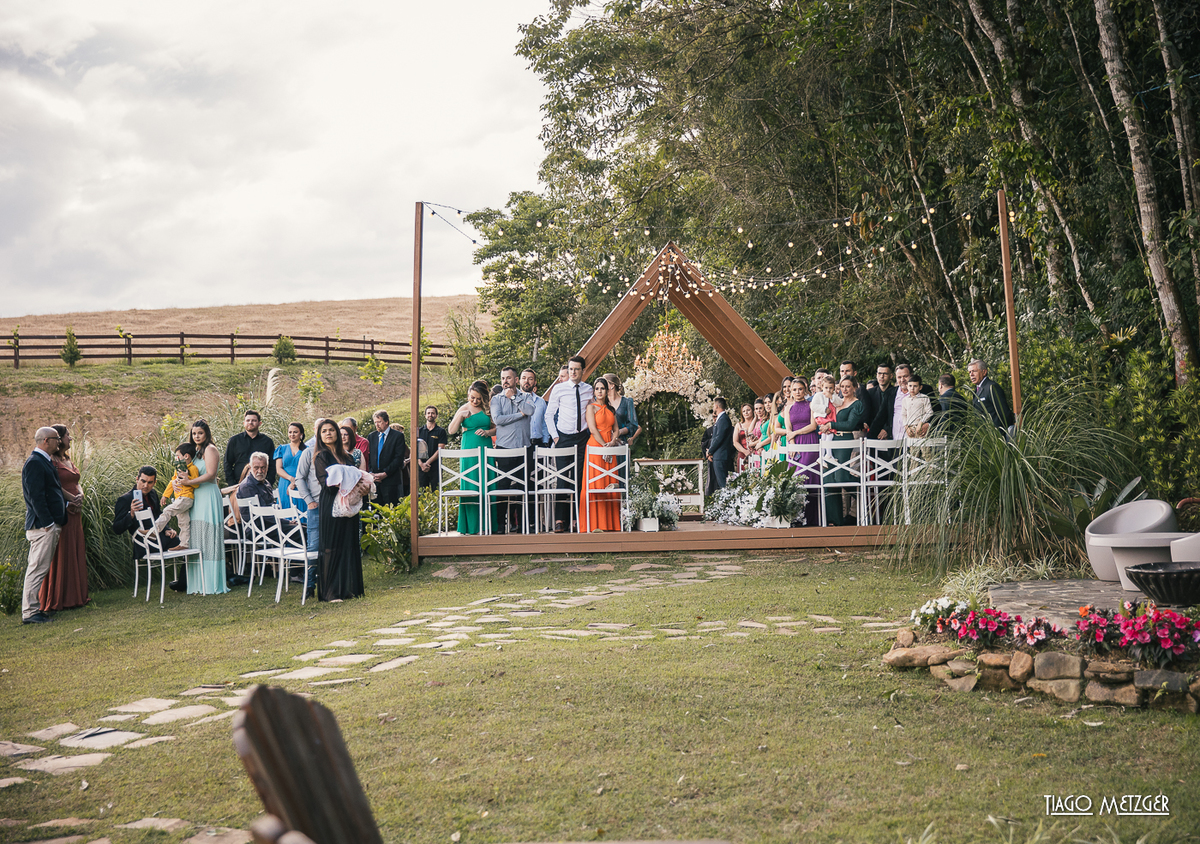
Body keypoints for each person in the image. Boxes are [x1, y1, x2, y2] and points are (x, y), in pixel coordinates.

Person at [314, 419, 366, 602]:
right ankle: (330, 592)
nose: (328, 433)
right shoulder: (322, 457)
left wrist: (361, 486)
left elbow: (357, 478)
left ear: (337, 432)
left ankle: (348, 588)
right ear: (320, 436)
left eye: (331, 430)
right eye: (324, 431)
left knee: (348, 545)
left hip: (350, 504)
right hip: (331, 504)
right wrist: (347, 482)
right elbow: (326, 484)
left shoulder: (348, 457)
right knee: (331, 546)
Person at [22, 427, 69, 622]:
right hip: (42, 527)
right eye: (56, 439)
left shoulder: (44, 461)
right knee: (37, 568)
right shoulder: (35, 462)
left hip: (47, 525)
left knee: (39, 567)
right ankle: (30, 613)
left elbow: (51, 492)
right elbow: (36, 497)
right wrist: (49, 523)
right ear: (46, 440)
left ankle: (34, 609)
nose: (59, 442)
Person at [179, 420, 230, 594]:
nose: (197, 436)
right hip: (195, 497)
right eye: (194, 433)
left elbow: (211, 475)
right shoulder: (193, 453)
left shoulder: (210, 450)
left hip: (208, 496)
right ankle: (197, 584)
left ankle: (211, 582)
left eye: (200, 433)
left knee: (208, 536)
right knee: (196, 536)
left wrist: (189, 481)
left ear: (206, 433)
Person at [113, 466, 183, 590]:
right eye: (143, 481)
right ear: (137, 479)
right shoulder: (125, 499)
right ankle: (184, 582)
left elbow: (158, 515)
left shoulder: (153, 494)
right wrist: (131, 514)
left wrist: (167, 529)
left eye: (150, 482)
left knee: (184, 541)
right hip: (143, 543)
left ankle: (184, 581)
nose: (146, 486)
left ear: (154, 482)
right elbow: (117, 528)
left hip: (159, 537)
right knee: (181, 541)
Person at [545, 355, 593, 532]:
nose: (573, 372)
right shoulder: (559, 389)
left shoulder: (589, 390)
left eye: (576, 369)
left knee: (580, 478)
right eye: (571, 369)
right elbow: (549, 415)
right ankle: (559, 520)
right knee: (562, 478)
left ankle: (577, 519)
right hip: (563, 437)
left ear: (583, 371)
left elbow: (593, 411)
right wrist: (555, 437)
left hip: (582, 438)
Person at [490, 367, 534, 533]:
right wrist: (519, 415)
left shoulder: (526, 397)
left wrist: (515, 398)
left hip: (524, 449)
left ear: (516, 380)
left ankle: (522, 524)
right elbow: (498, 420)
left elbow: (530, 411)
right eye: (503, 378)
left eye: (508, 378)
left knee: (523, 487)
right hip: (505, 450)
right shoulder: (496, 400)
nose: (505, 381)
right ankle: (501, 525)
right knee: (503, 486)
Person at [448, 382, 495, 535]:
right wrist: (460, 416)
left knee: (487, 483)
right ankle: (472, 526)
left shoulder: (488, 409)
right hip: (469, 450)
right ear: (468, 395)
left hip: (486, 448)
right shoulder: (463, 408)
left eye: (479, 399)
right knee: (471, 485)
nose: (475, 401)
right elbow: (451, 430)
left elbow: (496, 427)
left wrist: (488, 433)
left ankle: (488, 525)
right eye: (473, 398)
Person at [820, 378, 865, 526]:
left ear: (854, 388)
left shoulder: (857, 404)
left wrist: (831, 424)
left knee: (840, 477)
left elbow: (850, 424)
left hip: (844, 440)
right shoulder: (835, 401)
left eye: (848, 387)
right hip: (829, 440)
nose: (844, 389)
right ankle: (835, 520)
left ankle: (862, 491)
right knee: (828, 479)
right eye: (842, 387)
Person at [580, 377, 623, 531]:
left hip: (610, 446)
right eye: (597, 388)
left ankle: (610, 524)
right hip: (595, 447)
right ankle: (594, 523)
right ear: (594, 391)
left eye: (602, 389)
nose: (599, 391)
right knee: (596, 483)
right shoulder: (590, 408)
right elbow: (592, 429)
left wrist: (612, 442)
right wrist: (604, 446)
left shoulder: (611, 409)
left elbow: (616, 429)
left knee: (610, 483)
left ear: (607, 391)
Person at [290, 422, 324, 593]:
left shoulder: (336, 452)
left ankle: (328, 580)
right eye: (322, 430)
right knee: (314, 545)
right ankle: (310, 584)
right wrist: (309, 500)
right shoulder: (308, 452)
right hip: (316, 506)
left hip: (335, 506)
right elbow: (299, 478)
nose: (326, 433)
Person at [783, 378, 819, 526]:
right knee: (794, 479)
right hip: (795, 445)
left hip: (810, 442)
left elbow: (813, 425)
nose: (797, 392)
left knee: (807, 478)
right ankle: (796, 517)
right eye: (795, 389)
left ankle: (811, 518)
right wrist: (792, 444)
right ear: (791, 391)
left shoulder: (811, 405)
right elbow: (788, 429)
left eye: (800, 389)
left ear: (805, 390)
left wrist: (795, 434)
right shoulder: (788, 408)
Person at [157, 441, 198, 547]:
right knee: (183, 522)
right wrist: (165, 495)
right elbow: (172, 482)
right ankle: (184, 544)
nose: (175, 458)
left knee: (168, 510)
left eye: (177, 456)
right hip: (179, 498)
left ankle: (155, 530)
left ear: (186, 456)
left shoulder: (193, 468)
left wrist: (187, 478)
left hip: (186, 498)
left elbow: (196, 484)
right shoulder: (178, 469)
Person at [225, 410, 276, 486]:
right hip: (238, 484)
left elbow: (272, 464)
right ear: (244, 423)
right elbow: (227, 463)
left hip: (261, 485)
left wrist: (268, 483)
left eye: (254, 420)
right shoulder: (234, 441)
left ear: (259, 423)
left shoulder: (267, 442)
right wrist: (232, 484)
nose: (250, 422)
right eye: (248, 420)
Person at [367, 410, 408, 506]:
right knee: (376, 509)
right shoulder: (372, 436)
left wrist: (385, 473)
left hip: (391, 480)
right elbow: (369, 456)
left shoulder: (397, 436)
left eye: (379, 422)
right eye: (375, 422)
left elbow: (398, 458)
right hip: (375, 480)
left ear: (386, 422)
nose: (377, 425)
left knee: (391, 507)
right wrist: (371, 473)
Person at [968, 359, 1015, 431]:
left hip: (995, 435)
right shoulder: (976, 391)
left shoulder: (992, 387)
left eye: (974, 371)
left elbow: (1003, 413)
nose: (971, 374)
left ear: (984, 372)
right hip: (983, 436)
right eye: (969, 372)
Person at [274, 423, 306, 511]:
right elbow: (279, 469)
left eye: (295, 432)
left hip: (302, 482)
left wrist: (296, 481)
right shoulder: (282, 449)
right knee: (286, 508)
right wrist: (291, 478)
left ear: (301, 434)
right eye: (290, 432)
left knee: (301, 508)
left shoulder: (307, 450)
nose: (292, 434)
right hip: (285, 483)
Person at [707, 396, 735, 491]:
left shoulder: (723, 419)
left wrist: (710, 450)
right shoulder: (721, 418)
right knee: (721, 483)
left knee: (723, 483)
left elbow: (719, 437)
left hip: (721, 455)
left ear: (716, 406)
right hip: (719, 455)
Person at [416, 406, 448, 490]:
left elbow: (440, 449)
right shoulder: (419, 431)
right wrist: (421, 464)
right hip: (421, 467)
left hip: (435, 467)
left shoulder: (441, 431)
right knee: (422, 493)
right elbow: (415, 449)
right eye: (428, 413)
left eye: (433, 413)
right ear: (425, 415)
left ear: (436, 415)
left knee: (436, 492)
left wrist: (428, 463)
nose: (430, 415)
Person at [902, 374, 934, 440]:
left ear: (920, 387)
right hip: (910, 427)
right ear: (907, 386)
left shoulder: (924, 397)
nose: (912, 388)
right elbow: (903, 414)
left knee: (925, 448)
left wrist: (921, 422)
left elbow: (929, 412)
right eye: (910, 386)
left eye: (915, 386)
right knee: (913, 448)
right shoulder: (905, 400)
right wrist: (906, 427)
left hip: (921, 427)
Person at [523, 369, 549, 447]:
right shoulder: (515, 401)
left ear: (535, 382)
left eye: (530, 379)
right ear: (519, 381)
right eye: (524, 378)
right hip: (522, 443)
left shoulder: (541, 402)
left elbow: (545, 423)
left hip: (539, 442)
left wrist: (546, 441)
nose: (526, 381)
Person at [733, 403, 755, 472]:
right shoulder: (739, 425)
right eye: (744, 411)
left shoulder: (757, 423)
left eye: (748, 410)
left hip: (755, 452)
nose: (746, 412)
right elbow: (735, 442)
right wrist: (744, 451)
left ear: (753, 411)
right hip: (743, 452)